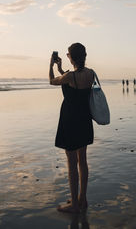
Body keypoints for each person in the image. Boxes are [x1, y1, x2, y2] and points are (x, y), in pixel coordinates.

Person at [49, 43, 94, 213]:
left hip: (70, 121)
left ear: (72, 58)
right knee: (82, 160)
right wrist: (62, 68)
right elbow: (74, 80)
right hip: (84, 119)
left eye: (68, 55)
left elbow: (52, 81)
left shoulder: (70, 77)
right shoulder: (91, 73)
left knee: (71, 162)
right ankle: (83, 199)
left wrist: (51, 65)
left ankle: (74, 204)